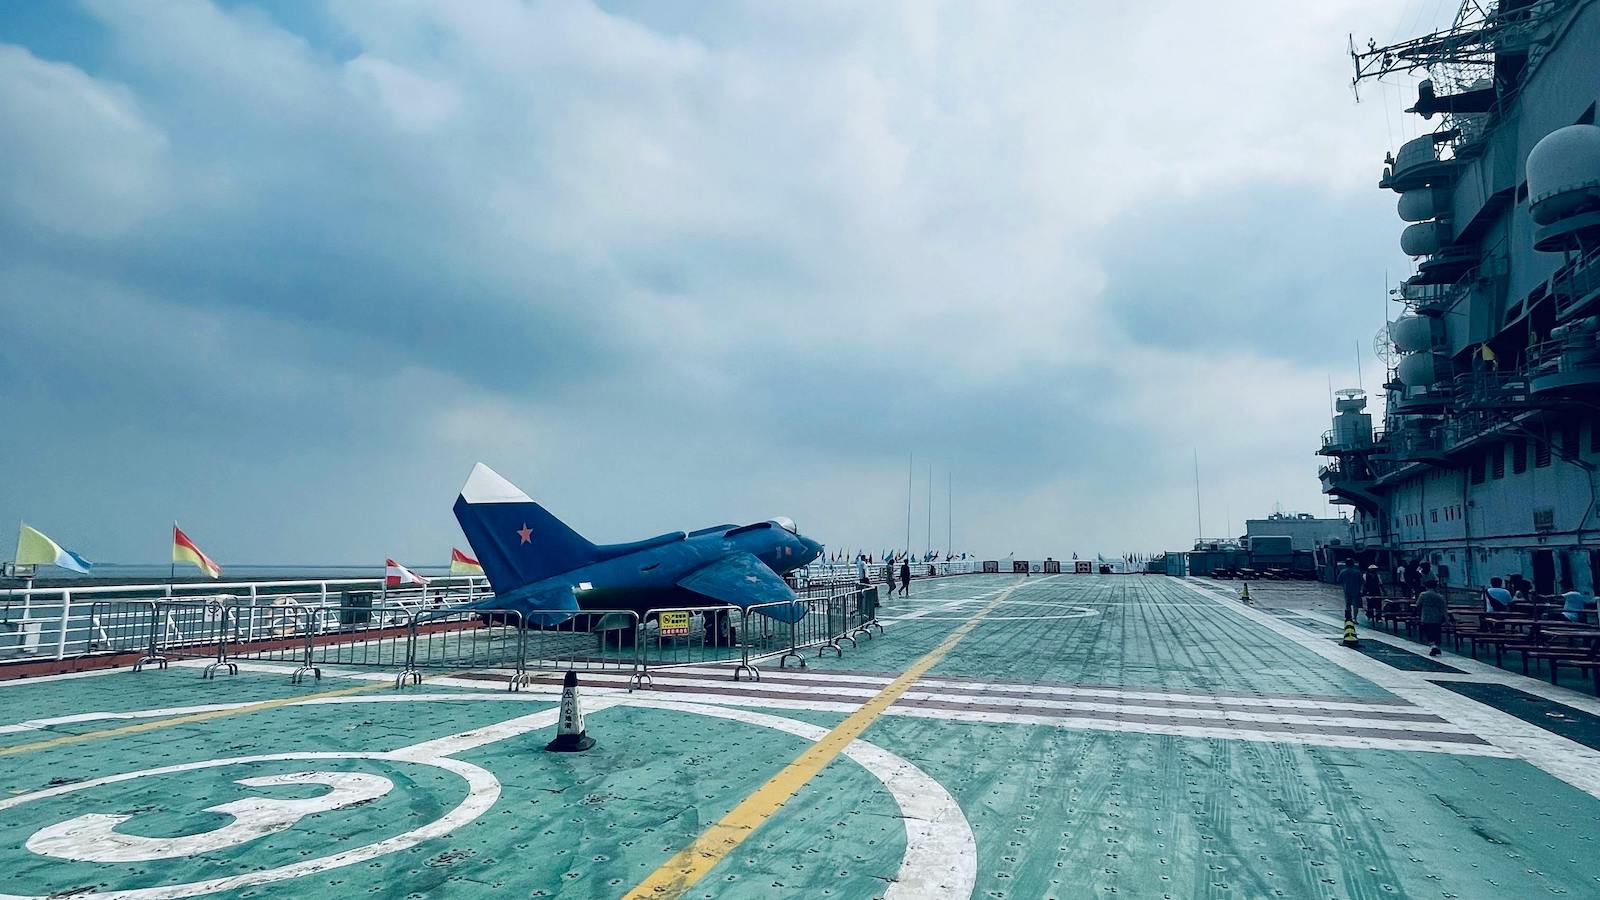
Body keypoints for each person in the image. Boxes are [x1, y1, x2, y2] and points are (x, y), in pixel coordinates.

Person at [1416, 579, 1447, 656]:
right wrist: (1447, 619)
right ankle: (1436, 646)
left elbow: (1418, 605)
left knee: (1428, 634)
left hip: (1426, 617)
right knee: (1436, 633)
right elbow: (1443, 609)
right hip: (1437, 618)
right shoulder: (1440, 596)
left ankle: (1433, 646)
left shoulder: (1423, 595)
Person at [1338, 559, 1364, 623]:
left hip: (1347, 591)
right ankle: (1355, 619)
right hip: (1356, 591)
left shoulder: (1343, 572)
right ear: (1353, 564)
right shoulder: (1357, 572)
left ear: (1346, 564)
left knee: (1348, 605)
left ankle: (1348, 618)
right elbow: (1362, 581)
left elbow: (1338, 580)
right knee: (1355, 606)